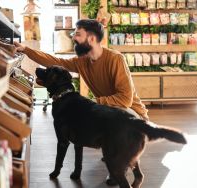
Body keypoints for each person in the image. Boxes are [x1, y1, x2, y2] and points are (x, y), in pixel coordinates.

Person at [14, 19, 149, 185]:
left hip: (131, 113)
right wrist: (26, 50)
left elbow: (125, 99)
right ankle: (120, 158)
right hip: (109, 110)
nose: (73, 37)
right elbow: (55, 62)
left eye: (77, 34)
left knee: (117, 125)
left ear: (91, 38)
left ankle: (120, 166)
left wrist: (95, 102)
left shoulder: (115, 59)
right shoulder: (82, 62)